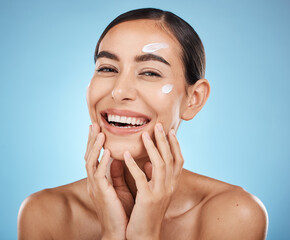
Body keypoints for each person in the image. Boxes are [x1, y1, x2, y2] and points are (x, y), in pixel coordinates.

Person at [17, 8, 268, 240]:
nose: (119, 91)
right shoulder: (44, 213)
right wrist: (112, 234)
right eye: (107, 68)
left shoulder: (234, 214)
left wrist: (145, 235)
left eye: (150, 72)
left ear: (194, 99)